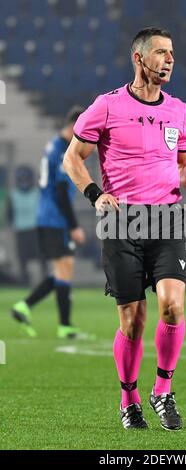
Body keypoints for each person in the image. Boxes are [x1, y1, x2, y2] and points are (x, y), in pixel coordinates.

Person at [64, 27, 186, 430]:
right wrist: (95, 194)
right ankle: (129, 400)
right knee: (132, 320)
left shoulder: (179, 110)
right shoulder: (106, 106)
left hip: (166, 217)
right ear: (139, 58)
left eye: (172, 53)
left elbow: (184, 163)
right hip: (121, 220)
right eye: (161, 52)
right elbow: (72, 158)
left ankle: (162, 391)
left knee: (173, 307)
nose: (169, 59)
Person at [11, 106, 88, 339]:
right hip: (54, 219)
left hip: (50, 217)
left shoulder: (54, 145)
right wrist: (74, 225)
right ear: (75, 126)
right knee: (64, 269)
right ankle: (61, 324)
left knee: (64, 270)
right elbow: (62, 191)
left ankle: (28, 308)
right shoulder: (62, 150)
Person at [6, 165, 47, 284]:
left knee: (41, 256)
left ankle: (44, 279)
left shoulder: (37, 193)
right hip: (21, 231)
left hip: (36, 230)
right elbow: (9, 214)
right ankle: (24, 279)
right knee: (22, 258)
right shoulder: (13, 196)